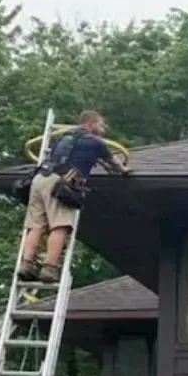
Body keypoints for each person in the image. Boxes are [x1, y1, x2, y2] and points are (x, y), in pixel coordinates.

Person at [19, 110, 129, 282]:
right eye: (101, 124)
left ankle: (26, 264)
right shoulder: (95, 142)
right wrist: (124, 170)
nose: (103, 129)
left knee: (37, 226)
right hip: (61, 184)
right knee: (60, 226)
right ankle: (50, 267)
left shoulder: (64, 138)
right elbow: (114, 163)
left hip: (39, 179)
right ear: (91, 123)